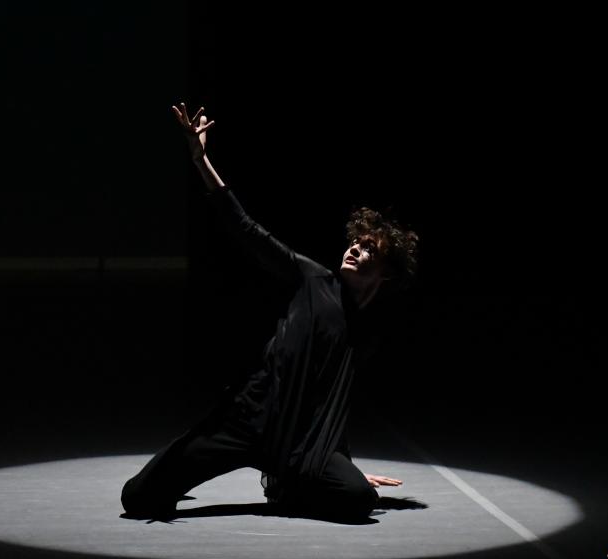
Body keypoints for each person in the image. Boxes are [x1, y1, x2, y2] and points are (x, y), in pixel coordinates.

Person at [120, 102, 418, 522]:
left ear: (386, 272)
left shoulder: (366, 331)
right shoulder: (313, 278)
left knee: (359, 499)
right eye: (356, 241)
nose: (355, 248)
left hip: (299, 445)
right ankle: (282, 482)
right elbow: (246, 229)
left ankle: (289, 482)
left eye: (369, 248)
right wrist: (202, 161)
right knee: (138, 499)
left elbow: (332, 400)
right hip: (246, 420)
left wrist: (345, 466)